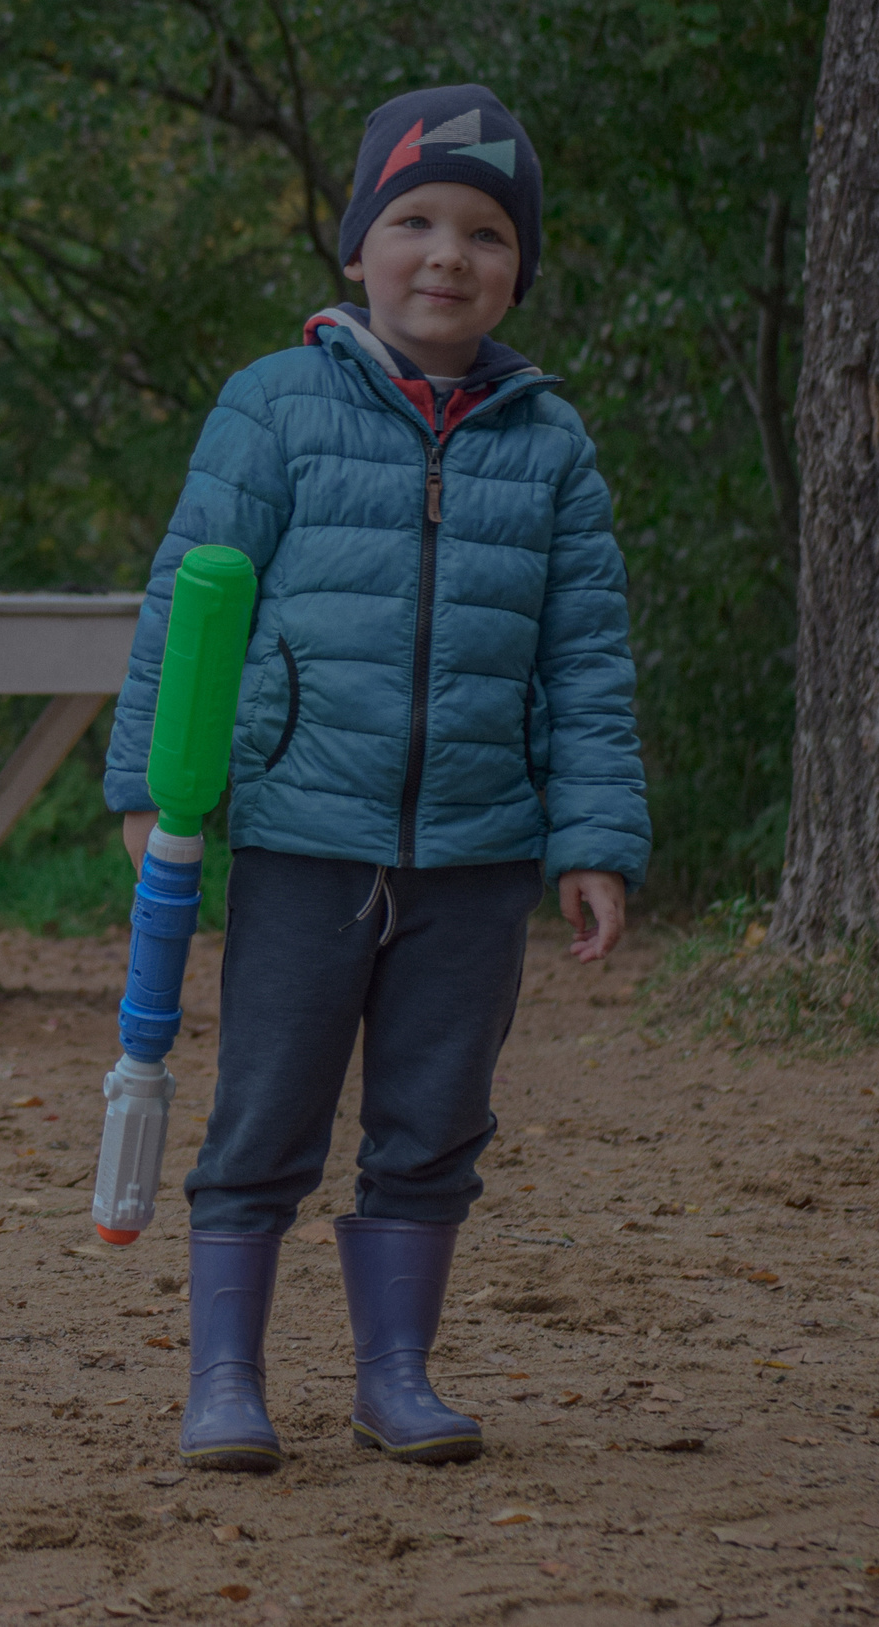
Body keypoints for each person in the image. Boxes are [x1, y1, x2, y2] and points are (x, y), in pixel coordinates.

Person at [104, 83, 650, 1472]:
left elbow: (586, 660)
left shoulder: (550, 442)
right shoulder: (273, 408)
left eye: (484, 232)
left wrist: (595, 838)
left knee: (434, 1115)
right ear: (358, 246)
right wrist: (152, 784)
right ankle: (225, 1379)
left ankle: (397, 1374)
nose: (447, 255)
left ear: (517, 266)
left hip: (477, 850)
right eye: (413, 221)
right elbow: (189, 601)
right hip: (304, 831)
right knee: (267, 1108)